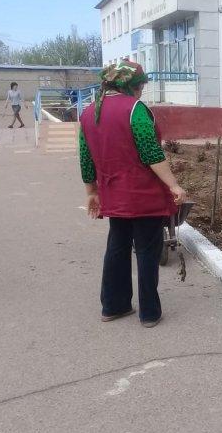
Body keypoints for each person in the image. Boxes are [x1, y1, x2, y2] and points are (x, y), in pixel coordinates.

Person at [78, 60, 186, 328]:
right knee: (148, 251)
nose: (141, 92)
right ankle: (149, 313)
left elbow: (85, 156)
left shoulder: (90, 111)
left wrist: (91, 192)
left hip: (113, 194)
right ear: (131, 86)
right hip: (143, 194)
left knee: (117, 246)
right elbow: (151, 153)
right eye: (141, 86)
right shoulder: (135, 110)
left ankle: (113, 306)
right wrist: (174, 185)